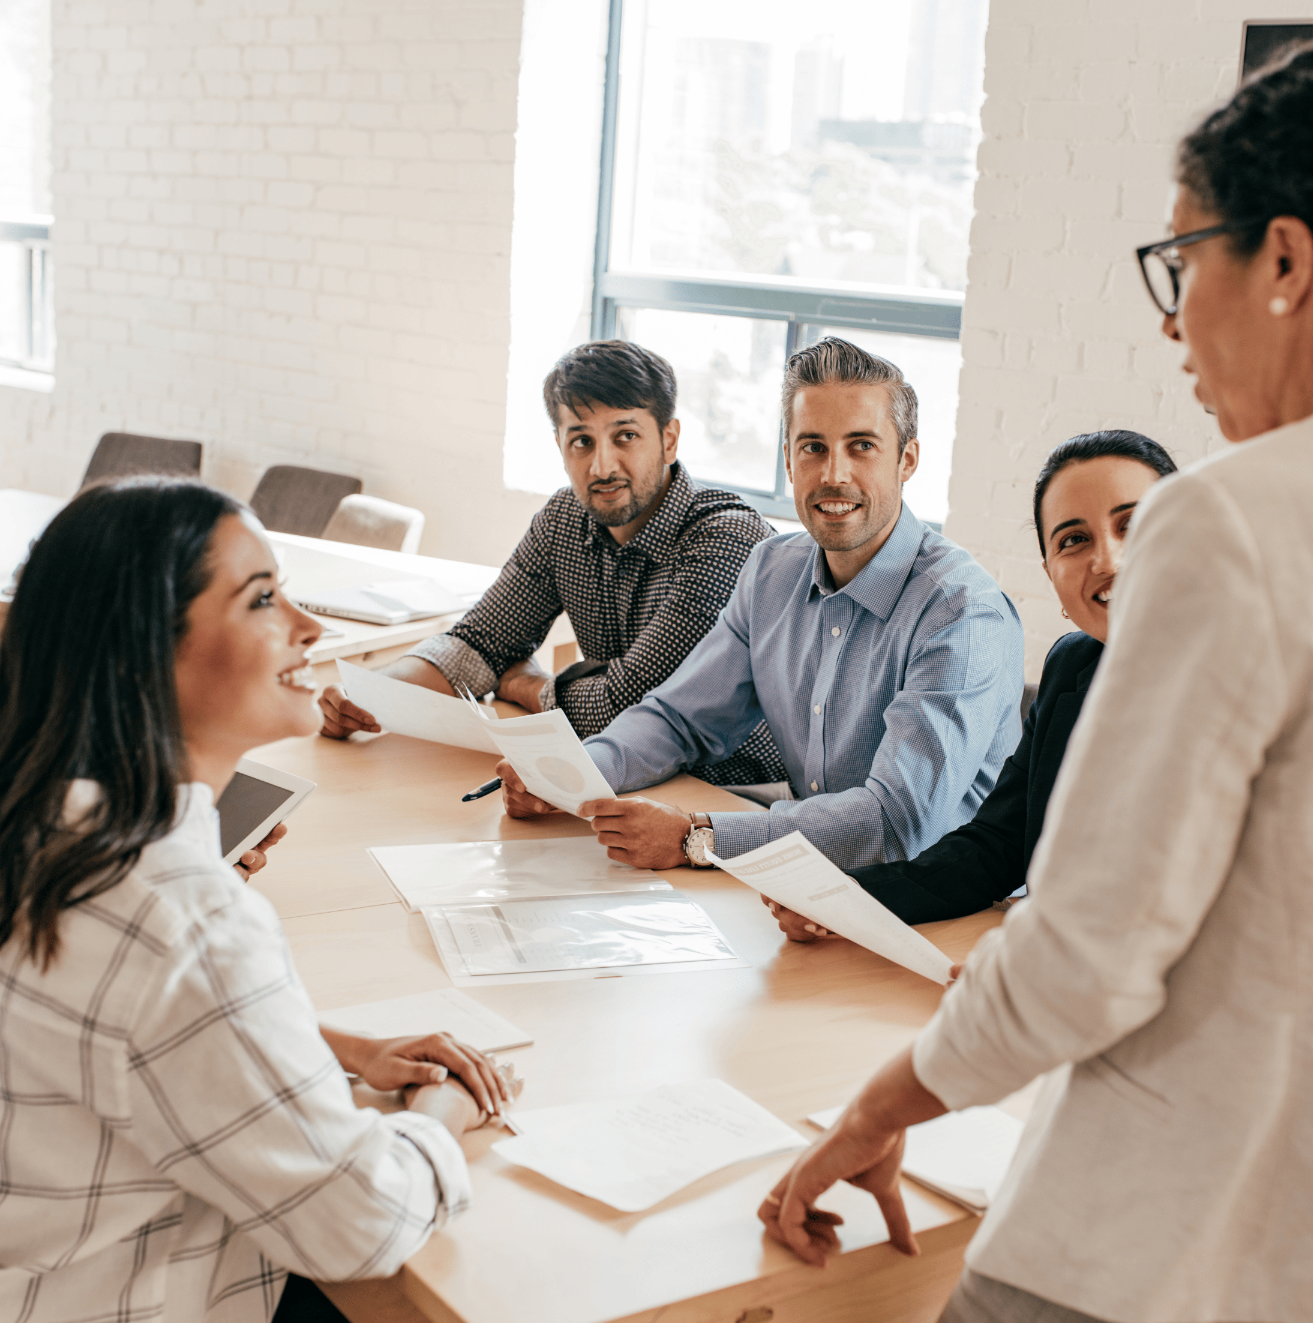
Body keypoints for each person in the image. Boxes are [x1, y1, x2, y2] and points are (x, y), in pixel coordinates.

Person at [760, 34, 1313, 1323]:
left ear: (1287, 262)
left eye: (1184, 260)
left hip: (1190, 1245)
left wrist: (881, 1106)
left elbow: (1092, 948)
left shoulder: (1243, 516)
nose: (1174, 324)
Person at [0, 480, 514, 1323]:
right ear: (147, 649)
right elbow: (361, 1220)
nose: (311, 626)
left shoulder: (41, 825)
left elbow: (102, 1021)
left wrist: (334, 1047)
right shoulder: (178, 913)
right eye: (264, 599)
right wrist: (443, 1114)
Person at [498, 336, 1025, 872]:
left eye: (862, 446)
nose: (833, 474)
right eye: (812, 447)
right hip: (811, 890)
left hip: (947, 910)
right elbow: (680, 718)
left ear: (906, 460)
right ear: (790, 462)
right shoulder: (772, 570)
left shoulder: (960, 612)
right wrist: (570, 772)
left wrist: (696, 839)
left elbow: (896, 822)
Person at [318, 339, 787, 789]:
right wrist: (371, 695)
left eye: (626, 436)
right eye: (581, 441)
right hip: (624, 775)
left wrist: (530, 685)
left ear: (669, 439)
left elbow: (630, 709)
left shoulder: (724, 540)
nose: (602, 466)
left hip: (740, 790)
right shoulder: (565, 519)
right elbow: (478, 643)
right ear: (560, 445)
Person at [765, 430, 1175, 940]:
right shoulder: (1074, 667)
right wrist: (848, 900)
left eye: (1133, 525)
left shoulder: (1263, 678)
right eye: (1074, 540)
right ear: (1052, 576)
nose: (1108, 560)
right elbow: (996, 847)